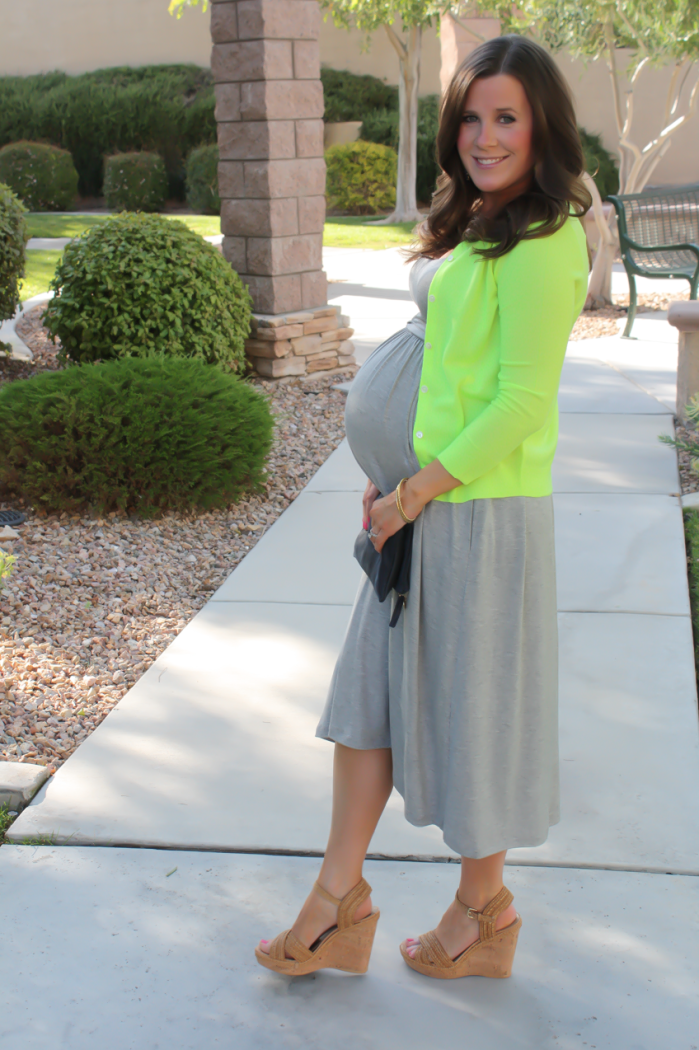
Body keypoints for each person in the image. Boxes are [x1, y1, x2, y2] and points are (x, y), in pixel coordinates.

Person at [255, 33, 591, 980]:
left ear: (541, 128)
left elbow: (520, 401)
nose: (484, 136)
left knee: (470, 721)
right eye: (471, 117)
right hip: (414, 505)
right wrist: (389, 472)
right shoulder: (479, 214)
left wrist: (412, 487)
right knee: (365, 702)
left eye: (506, 117)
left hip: (477, 517)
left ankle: (482, 914)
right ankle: (337, 903)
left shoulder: (545, 234)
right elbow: (448, 368)